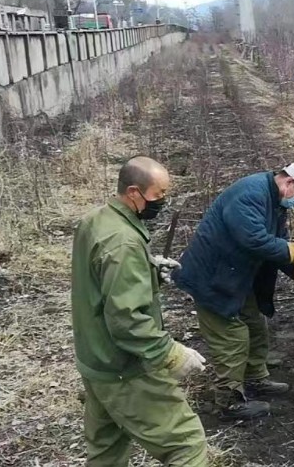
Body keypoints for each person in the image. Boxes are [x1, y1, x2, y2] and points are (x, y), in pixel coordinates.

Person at [71, 156, 208, 467]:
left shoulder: (97, 220)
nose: (162, 202)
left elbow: (98, 278)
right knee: (186, 443)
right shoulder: (123, 243)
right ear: (134, 192)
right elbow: (126, 320)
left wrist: (148, 270)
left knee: (107, 452)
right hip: (124, 368)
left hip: (95, 360)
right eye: (158, 195)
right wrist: (170, 353)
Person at [175, 163, 294, 420]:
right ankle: (229, 401)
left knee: (255, 324)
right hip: (213, 277)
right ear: (289, 183)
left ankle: (255, 379)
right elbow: (254, 240)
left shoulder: (275, 203)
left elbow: (277, 245)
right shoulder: (250, 194)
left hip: (236, 276)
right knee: (233, 336)